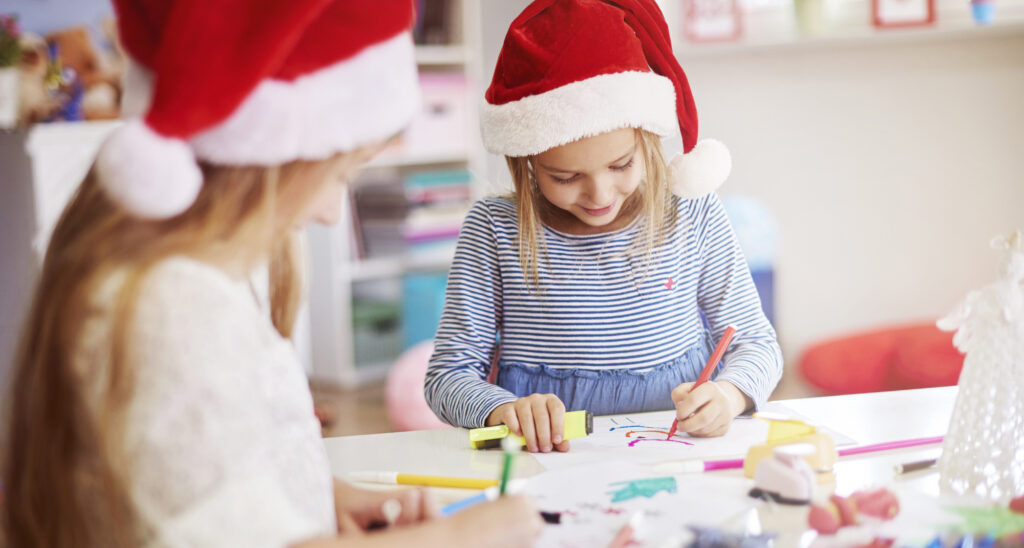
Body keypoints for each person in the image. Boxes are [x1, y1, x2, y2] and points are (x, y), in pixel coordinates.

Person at [0, 1, 541, 547]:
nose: (333, 213)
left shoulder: (189, 281)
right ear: (263, 156)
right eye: (340, 176)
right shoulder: (173, 311)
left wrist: (331, 498)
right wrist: (468, 537)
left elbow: (209, 475)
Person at [424, 0, 783, 454]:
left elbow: (757, 344)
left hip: (677, 457)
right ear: (526, 160)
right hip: (550, 463)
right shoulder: (494, 230)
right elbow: (447, 376)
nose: (599, 195)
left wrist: (729, 396)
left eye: (621, 164)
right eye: (565, 177)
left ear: (646, 137)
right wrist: (501, 410)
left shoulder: (693, 212)